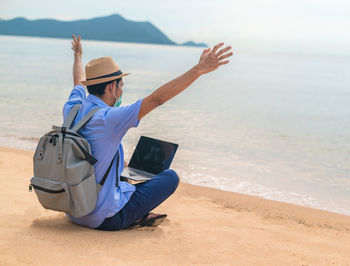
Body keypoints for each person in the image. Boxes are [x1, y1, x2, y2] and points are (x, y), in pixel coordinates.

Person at [64, 34, 233, 231]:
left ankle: (130, 201)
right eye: (121, 86)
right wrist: (199, 70)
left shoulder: (72, 107)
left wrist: (78, 56)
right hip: (103, 219)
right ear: (113, 86)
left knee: (122, 171)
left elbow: (78, 81)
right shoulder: (109, 118)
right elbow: (156, 99)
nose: (121, 92)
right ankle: (134, 216)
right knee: (170, 177)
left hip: (73, 210)